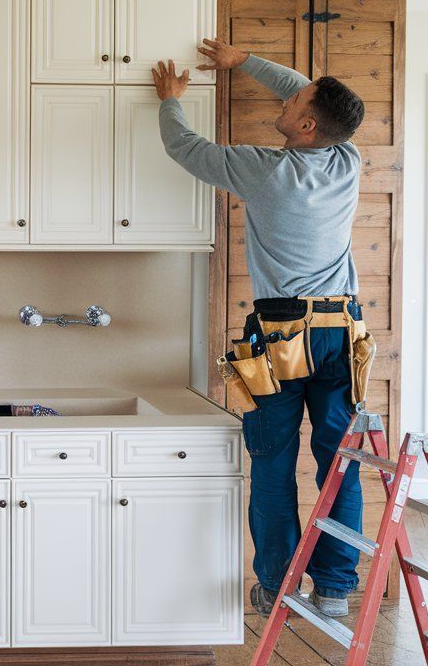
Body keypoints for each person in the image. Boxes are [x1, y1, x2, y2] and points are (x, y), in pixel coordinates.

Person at [151, 39, 367, 619]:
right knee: (337, 459)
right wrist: (242, 61)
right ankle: (336, 588)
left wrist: (170, 100)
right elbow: (306, 94)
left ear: (303, 123)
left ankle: (277, 584)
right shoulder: (348, 159)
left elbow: (185, 147)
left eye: (297, 98)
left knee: (273, 459)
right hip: (342, 330)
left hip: (279, 335)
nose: (290, 90)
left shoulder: (264, 170)